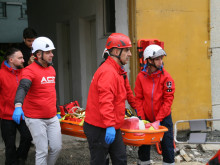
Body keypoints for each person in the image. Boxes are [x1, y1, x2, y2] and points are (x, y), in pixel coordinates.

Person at [83, 33, 133, 165]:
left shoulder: (117, 71)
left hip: (111, 126)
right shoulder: (108, 72)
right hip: (99, 127)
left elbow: (123, 95)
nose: (130, 54)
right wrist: (110, 125)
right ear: (116, 51)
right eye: (127, 50)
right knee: (99, 161)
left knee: (120, 160)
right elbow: (106, 101)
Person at [12, 37, 62, 165]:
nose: (52, 54)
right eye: (48, 52)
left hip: (51, 117)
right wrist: (18, 105)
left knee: (56, 148)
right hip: (35, 118)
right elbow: (23, 87)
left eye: (52, 51)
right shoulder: (29, 71)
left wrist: (57, 110)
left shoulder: (52, 70)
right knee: (42, 151)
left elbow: (51, 91)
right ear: (38, 54)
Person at [134, 44, 175, 165]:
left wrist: (158, 119)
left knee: (167, 146)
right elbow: (139, 99)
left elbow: (168, 101)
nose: (160, 61)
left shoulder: (167, 78)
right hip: (146, 118)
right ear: (149, 60)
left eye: (161, 58)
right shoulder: (141, 77)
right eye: (157, 59)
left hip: (164, 118)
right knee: (144, 147)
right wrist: (141, 118)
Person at [0, 48, 32, 165]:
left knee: (28, 137)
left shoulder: (24, 72)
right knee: (10, 145)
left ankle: (20, 159)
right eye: (20, 58)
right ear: (11, 60)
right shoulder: (1, 74)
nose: (23, 60)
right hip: (6, 115)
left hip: (23, 114)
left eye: (23, 57)